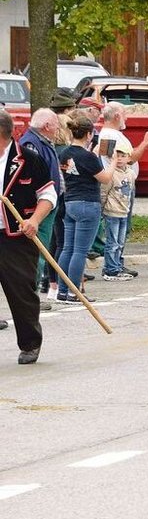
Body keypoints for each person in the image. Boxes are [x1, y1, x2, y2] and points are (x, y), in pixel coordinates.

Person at [0, 108, 58, 358]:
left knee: (21, 292)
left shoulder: (29, 159)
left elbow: (48, 195)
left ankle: (30, 343)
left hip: (15, 237)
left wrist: (34, 220)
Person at [55, 115, 110, 304]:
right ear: (89, 134)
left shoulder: (64, 153)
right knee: (80, 251)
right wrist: (111, 161)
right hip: (88, 203)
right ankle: (74, 292)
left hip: (70, 202)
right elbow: (105, 179)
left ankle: (62, 291)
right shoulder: (88, 157)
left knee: (68, 248)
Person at [96, 102, 148, 274]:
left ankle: (117, 263)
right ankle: (112, 266)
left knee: (122, 229)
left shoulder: (112, 134)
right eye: (124, 114)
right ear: (116, 116)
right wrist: (145, 143)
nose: (126, 118)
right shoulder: (110, 136)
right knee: (117, 231)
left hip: (123, 185)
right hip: (117, 188)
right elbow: (130, 158)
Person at [18, 110, 63, 310]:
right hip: (37, 208)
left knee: (40, 253)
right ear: (46, 126)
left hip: (47, 204)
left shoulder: (42, 142)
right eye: (56, 125)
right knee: (36, 253)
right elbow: (29, 179)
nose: (58, 128)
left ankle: (31, 296)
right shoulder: (31, 144)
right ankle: (30, 297)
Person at [100, 144, 136, 282]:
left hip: (124, 211)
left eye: (123, 156)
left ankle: (117, 265)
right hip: (112, 211)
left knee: (120, 242)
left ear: (129, 158)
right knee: (112, 242)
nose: (120, 159)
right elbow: (104, 192)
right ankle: (110, 269)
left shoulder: (130, 174)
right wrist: (102, 208)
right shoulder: (111, 173)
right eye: (117, 156)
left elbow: (131, 193)